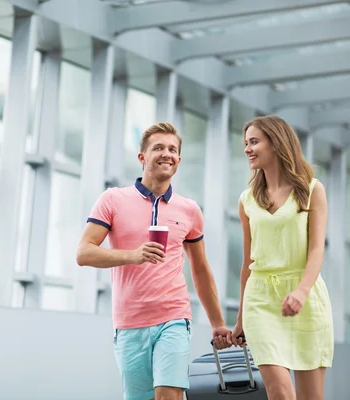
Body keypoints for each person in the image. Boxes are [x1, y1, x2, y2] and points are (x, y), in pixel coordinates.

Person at [76, 122, 232, 400]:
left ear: (179, 160)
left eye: (172, 149)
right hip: (128, 322)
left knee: (167, 395)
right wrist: (132, 255)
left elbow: (200, 268)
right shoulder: (112, 200)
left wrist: (218, 322)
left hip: (173, 316)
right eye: (158, 147)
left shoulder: (190, 210)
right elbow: (84, 252)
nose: (166, 154)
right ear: (142, 157)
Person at [231, 115, 334, 400]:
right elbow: (248, 262)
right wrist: (240, 320)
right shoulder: (247, 200)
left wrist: (301, 291)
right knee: (279, 391)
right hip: (261, 301)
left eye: (254, 142)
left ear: (276, 143)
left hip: (305, 299)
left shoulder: (312, 190)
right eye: (246, 143)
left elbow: (316, 250)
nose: (247, 149)